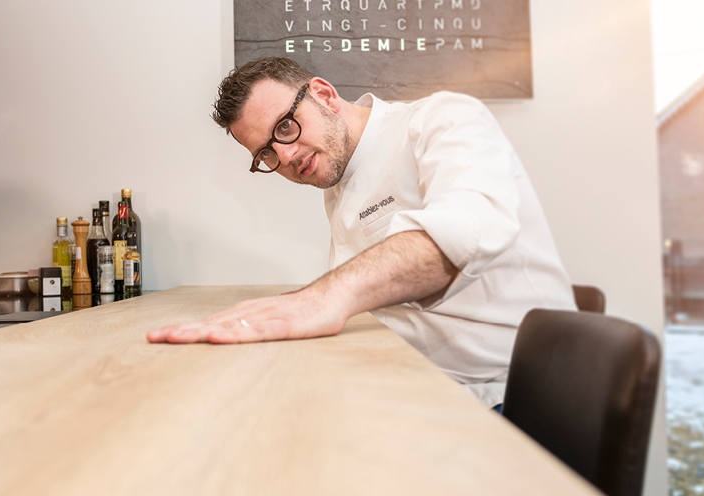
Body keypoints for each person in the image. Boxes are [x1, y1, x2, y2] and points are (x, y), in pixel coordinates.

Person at [146, 57, 576, 409]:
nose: (287, 155)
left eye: (285, 127)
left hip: (511, 395)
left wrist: (321, 298)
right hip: (418, 385)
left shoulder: (442, 118)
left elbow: (464, 232)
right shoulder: (336, 181)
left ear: (324, 94)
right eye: (266, 153)